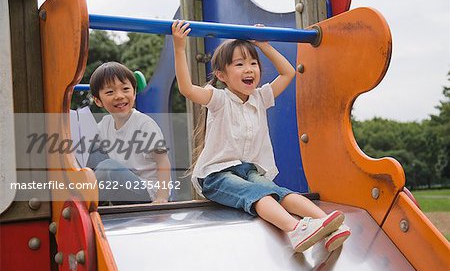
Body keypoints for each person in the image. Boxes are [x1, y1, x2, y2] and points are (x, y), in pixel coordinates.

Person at [172, 20, 350, 253]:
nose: (249, 69)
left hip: (249, 170)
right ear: (221, 75)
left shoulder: (259, 97)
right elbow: (186, 89)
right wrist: (179, 48)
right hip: (216, 175)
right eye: (239, 64)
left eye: (253, 63)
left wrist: (265, 45)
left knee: (282, 193)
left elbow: (288, 72)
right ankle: (295, 229)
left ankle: (329, 225)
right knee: (261, 193)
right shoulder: (218, 99)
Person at [88, 62, 171, 205]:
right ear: (98, 100)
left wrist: (162, 198)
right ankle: (91, 202)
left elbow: (162, 162)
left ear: (134, 92)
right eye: (110, 92)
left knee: (109, 168)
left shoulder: (144, 124)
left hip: (145, 192)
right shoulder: (104, 124)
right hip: (122, 190)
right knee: (87, 148)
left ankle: (87, 204)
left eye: (125, 89)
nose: (119, 96)